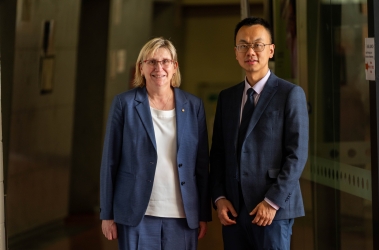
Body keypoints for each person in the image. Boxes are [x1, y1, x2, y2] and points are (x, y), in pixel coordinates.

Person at [100, 37, 211, 250]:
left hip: (182, 215)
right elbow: (109, 162)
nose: (158, 68)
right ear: (141, 67)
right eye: (151, 62)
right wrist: (107, 214)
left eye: (165, 61)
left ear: (174, 66)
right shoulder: (124, 104)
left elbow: (201, 164)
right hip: (136, 213)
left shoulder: (194, 106)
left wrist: (203, 214)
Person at [209, 17, 308, 250]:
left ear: (271, 50)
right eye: (243, 45)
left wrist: (272, 202)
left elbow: (297, 154)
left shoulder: (290, 94)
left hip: (273, 210)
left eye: (258, 45)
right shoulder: (227, 98)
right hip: (233, 211)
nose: (250, 51)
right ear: (236, 52)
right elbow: (218, 153)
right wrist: (219, 197)